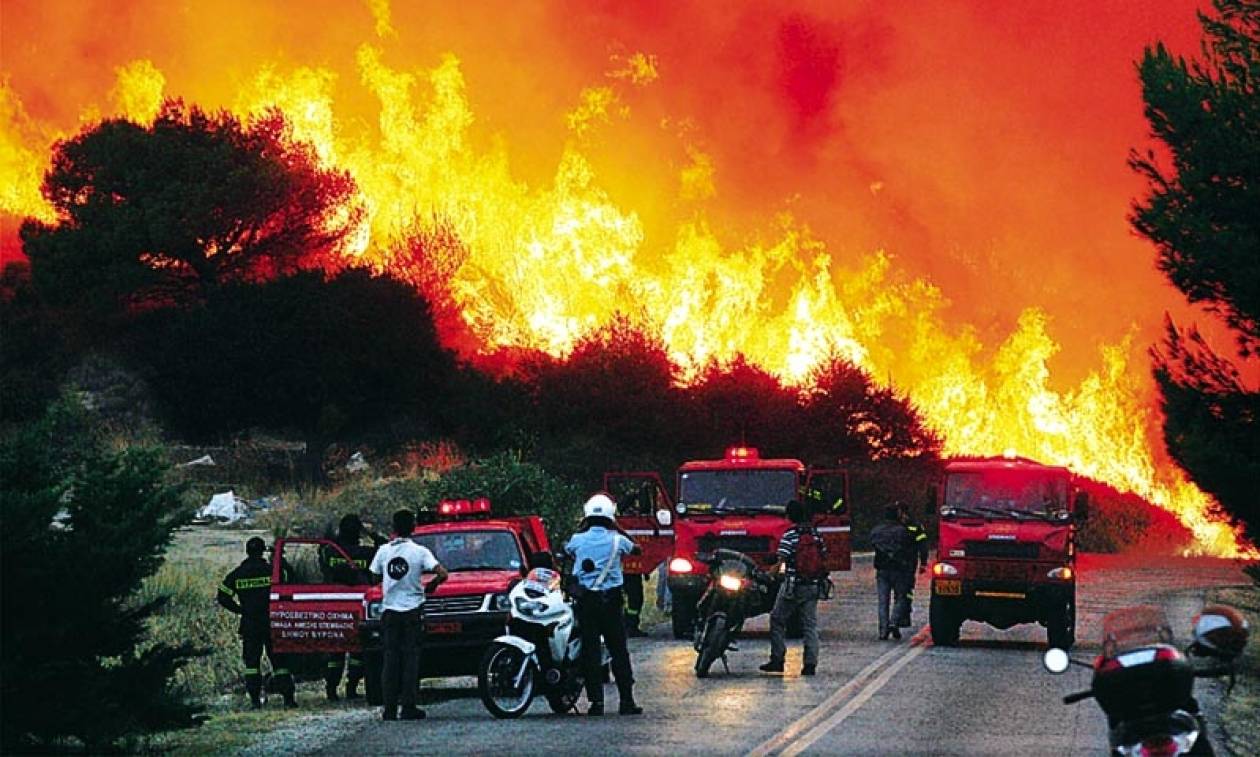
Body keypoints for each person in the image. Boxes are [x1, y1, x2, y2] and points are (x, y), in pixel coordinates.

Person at [564, 493, 643, 716]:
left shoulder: (578, 539)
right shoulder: (619, 540)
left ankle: (596, 703)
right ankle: (626, 701)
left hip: (586, 602)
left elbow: (568, 550)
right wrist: (617, 528)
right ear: (611, 517)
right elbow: (637, 549)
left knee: (590, 652)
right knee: (619, 650)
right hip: (611, 602)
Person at [369, 509, 448, 721]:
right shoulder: (420, 552)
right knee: (410, 659)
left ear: (393, 528)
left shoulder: (383, 551)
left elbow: (374, 574)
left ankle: (389, 709)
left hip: (390, 611)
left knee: (390, 659)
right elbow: (443, 573)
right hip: (413, 610)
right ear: (412, 527)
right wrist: (430, 586)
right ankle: (409, 706)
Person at [217, 537, 295, 708]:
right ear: (262, 551)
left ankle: (254, 701)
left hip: (250, 624)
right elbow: (290, 581)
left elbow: (222, 596)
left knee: (252, 664)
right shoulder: (271, 571)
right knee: (280, 663)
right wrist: (279, 560)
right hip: (271, 622)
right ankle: (288, 700)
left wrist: (239, 609)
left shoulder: (237, 574)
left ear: (247, 551)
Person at [321, 513, 385, 701]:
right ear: (358, 531)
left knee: (335, 651)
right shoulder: (366, 553)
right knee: (358, 651)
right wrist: (371, 533)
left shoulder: (330, 552)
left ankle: (331, 690)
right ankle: (352, 687)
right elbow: (383, 547)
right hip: (358, 606)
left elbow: (322, 551)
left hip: (333, 607)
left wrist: (332, 537)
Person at [760, 500, 828, 676]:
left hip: (792, 585)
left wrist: (769, 575)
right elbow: (823, 556)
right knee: (809, 626)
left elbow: (780, 559)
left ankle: (777, 659)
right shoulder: (815, 534)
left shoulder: (789, 535)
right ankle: (810, 664)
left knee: (777, 619)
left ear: (789, 515)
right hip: (813, 585)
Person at [871, 505, 915, 640]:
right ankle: (894, 622)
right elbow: (910, 548)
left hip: (882, 568)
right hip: (899, 569)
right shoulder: (903, 531)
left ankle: (883, 630)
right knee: (901, 597)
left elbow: (873, 543)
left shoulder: (876, 531)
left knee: (883, 601)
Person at [895, 504, 930, 629]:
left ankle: (905, 614)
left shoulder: (915, 526)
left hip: (909, 563)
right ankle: (898, 615)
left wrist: (924, 562)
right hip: (896, 562)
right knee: (899, 590)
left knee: (907, 590)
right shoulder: (894, 524)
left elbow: (923, 544)